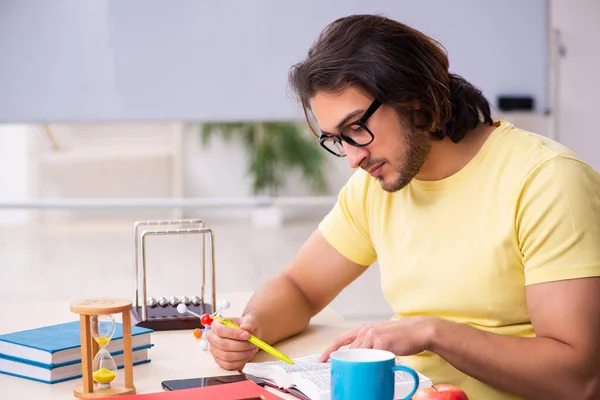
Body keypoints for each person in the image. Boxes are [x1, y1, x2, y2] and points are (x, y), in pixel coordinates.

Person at [207, 14, 600, 400]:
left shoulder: (547, 181)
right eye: (337, 139)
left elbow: (577, 380)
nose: (352, 158)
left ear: (415, 97)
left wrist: (433, 332)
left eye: (357, 128)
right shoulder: (373, 187)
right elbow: (300, 288)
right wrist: (249, 327)